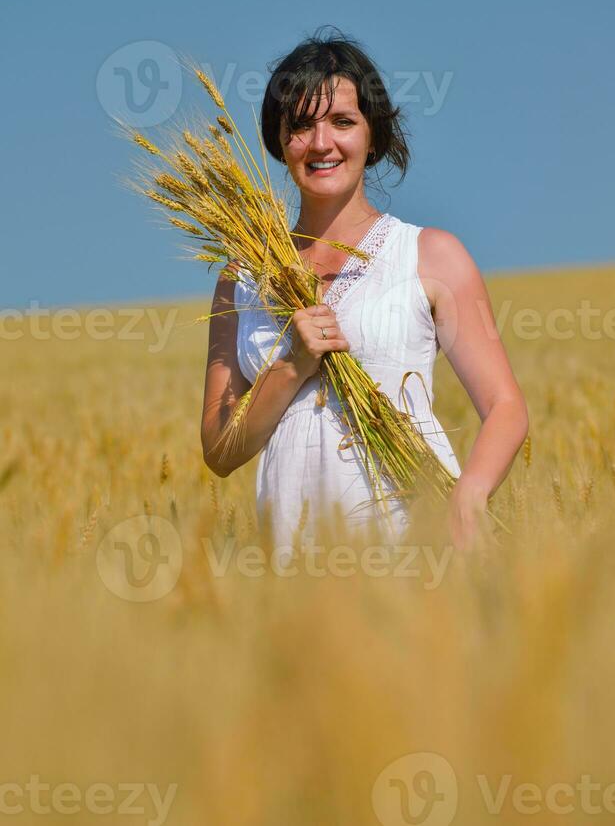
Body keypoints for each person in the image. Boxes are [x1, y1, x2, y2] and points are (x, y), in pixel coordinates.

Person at [201, 27, 529, 552]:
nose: (322, 142)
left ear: (372, 134)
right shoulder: (241, 278)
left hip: (416, 550)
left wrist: (471, 492)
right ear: (278, 141)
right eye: (301, 126)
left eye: (343, 122)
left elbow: (506, 406)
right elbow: (219, 451)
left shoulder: (429, 255)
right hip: (292, 561)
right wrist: (291, 366)